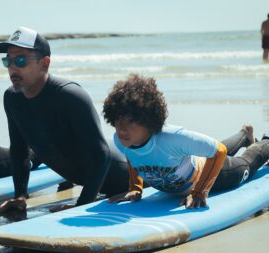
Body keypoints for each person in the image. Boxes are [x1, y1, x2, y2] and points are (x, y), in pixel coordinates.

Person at [0, 26, 130, 214]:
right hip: (95, 184)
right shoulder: (12, 98)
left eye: (20, 60)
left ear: (45, 63)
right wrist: (20, 196)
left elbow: (100, 155)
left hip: (128, 178)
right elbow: (19, 150)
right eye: (8, 61)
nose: (13, 67)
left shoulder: (70, 95)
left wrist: (82, 206)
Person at [102, 74, 269, 208]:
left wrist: (199, 192)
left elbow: (218, 151)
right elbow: (134, 156)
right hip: (191, 164)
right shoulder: (123, 140)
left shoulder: (171, 138)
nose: (122, 129)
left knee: (245, 163)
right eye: (117, 121)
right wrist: (135, 188)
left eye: (130, 122)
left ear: (148, 120)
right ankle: (245, 134)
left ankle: (265, 141)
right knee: (206, 149)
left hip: (215, 174)